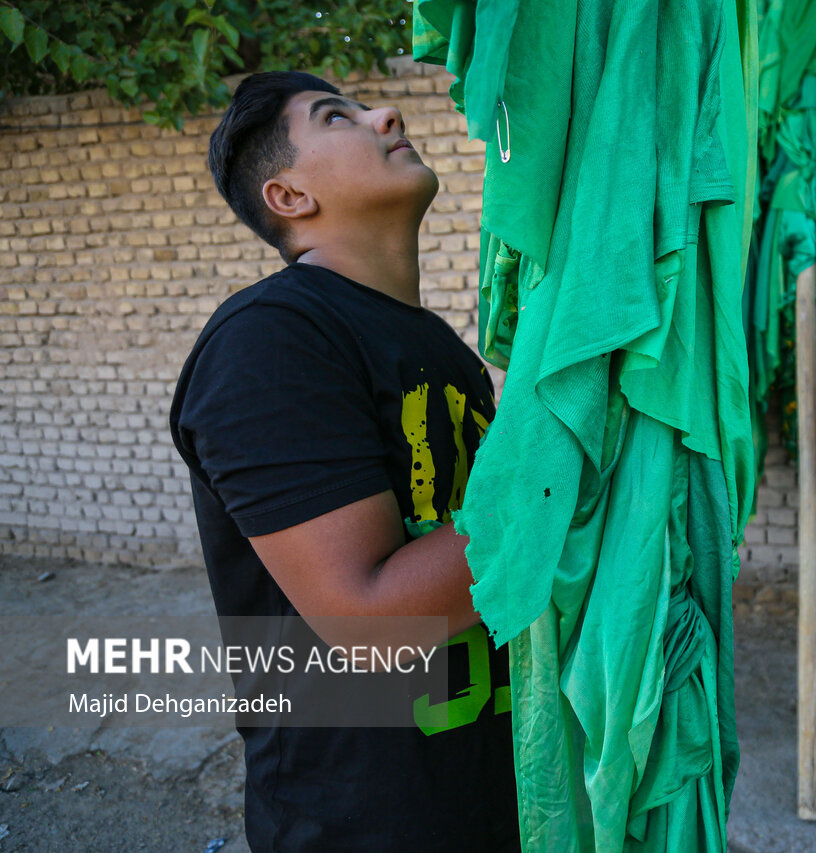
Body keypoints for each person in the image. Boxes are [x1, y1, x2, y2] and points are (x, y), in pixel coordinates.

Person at [169, 72, 519, 851]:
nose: (386, 113)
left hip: (490, 798)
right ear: (288, 195)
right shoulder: (271, 340)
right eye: (338, 116)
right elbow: (370, 617)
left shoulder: (443, 353)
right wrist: (572, 473)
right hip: (364, 822)